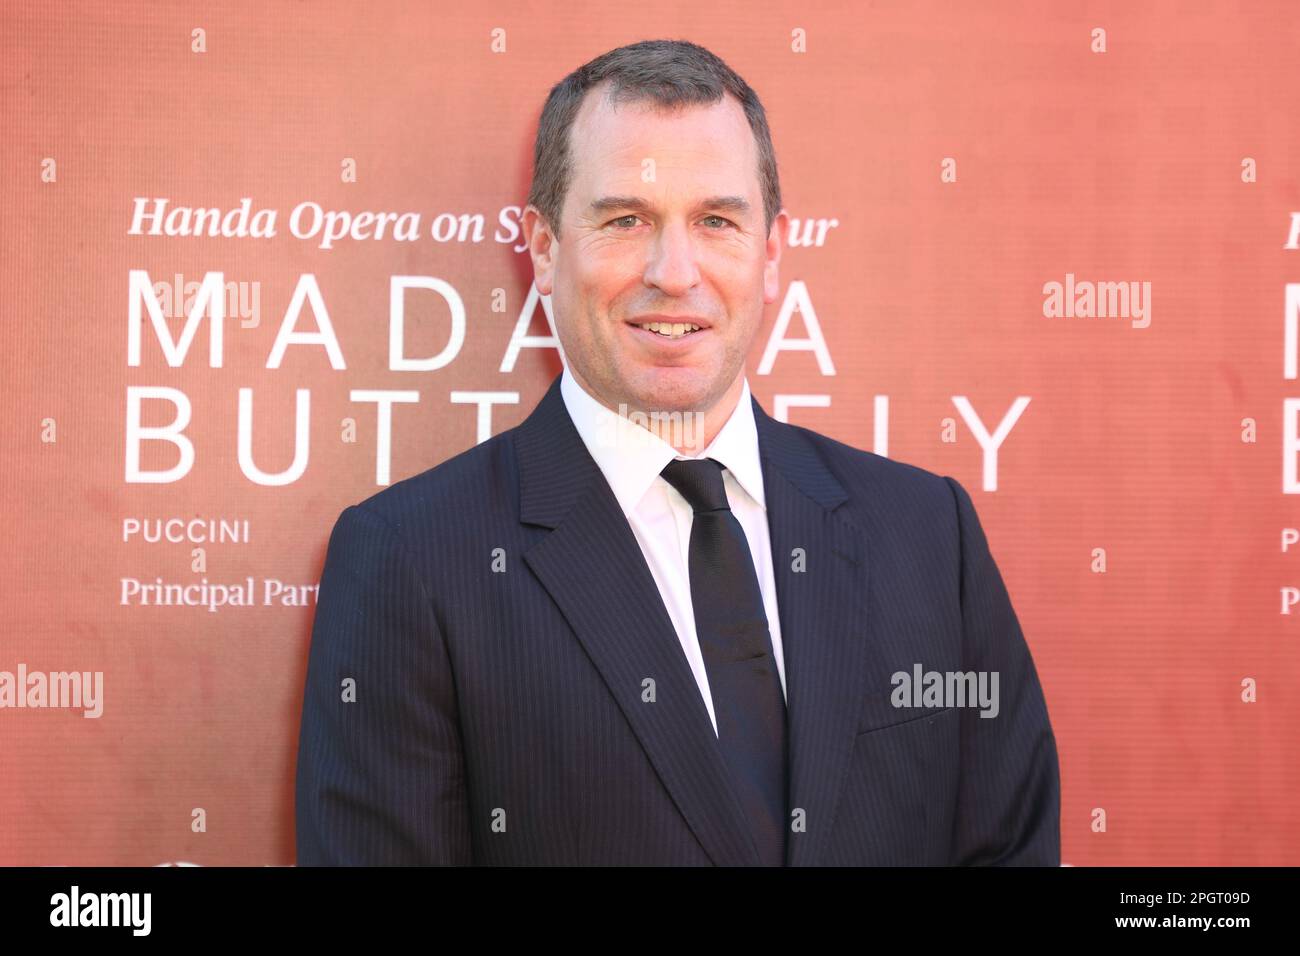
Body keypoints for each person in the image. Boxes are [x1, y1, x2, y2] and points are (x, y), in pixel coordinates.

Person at [294, 38, 1060, 866]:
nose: (675, 272)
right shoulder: (409, 561)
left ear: (771, 255)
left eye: (717, 222)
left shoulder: (926, 534)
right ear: (544, 249)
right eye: (626, 220)